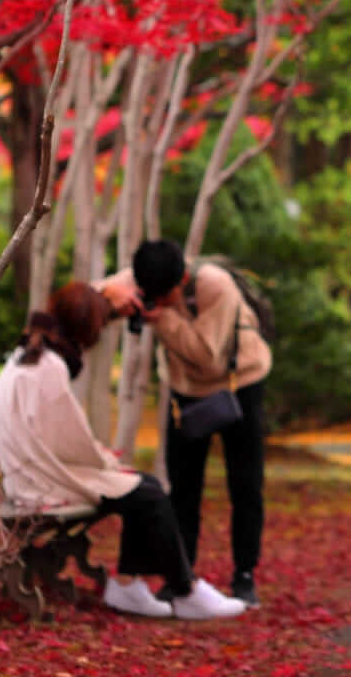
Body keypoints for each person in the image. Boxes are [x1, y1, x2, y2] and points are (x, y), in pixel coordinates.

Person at [0, 281, 247, 621]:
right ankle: (186, 590)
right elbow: (69, 442)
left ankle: (132, 585)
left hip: (29, 471)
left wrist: (105, 464)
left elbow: (58, 436)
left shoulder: (28, 356)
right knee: (147, 493)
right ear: (82, 329)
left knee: (143, 488)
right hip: (40, 480)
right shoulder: (48, 366)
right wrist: (106, 463)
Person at [128, 237, 272, 609]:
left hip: (240, 385)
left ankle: (244, 576)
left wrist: (163, 320)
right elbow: (104, 291)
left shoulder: (214, 285)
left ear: (183, 279)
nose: (160, 301)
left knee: (245, 484)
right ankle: (181, 575)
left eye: (166, 295)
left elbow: (207, 356)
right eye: (152, 295)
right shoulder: (148, 281)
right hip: (185, 393)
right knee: (183, 489)